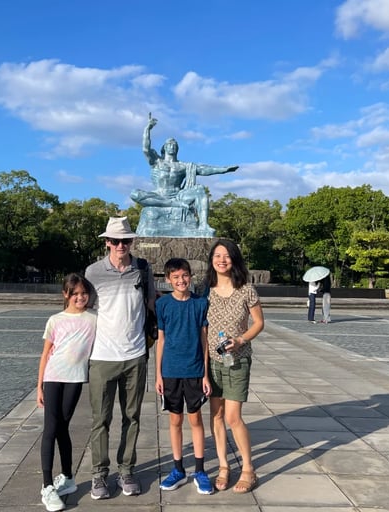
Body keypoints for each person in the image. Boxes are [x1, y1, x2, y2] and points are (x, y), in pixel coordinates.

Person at [84, 216, 155, 500]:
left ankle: (127, 469)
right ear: (106, 243)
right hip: (102, 356)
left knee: (132, 417)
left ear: (132, 242)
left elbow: (152, 302)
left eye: (125, 240)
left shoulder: (142, 268)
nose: (120, 245)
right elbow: (83, 307)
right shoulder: (93, 272)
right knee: (100, 419)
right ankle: (99, 475)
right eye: (115, 241)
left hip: (135, 354)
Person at [204, 239, 264, 494]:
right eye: (217, 255)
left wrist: (240, 340)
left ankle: (248, 469)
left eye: (227, 256)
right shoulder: (205, 289)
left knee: (232, 416)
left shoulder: (246, 289)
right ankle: (223, 466)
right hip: (212, 362)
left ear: (234, 259)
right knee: (216, 415)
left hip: (237, 360)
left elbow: (259, 323)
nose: (222, 260)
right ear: (212, 260)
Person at [37, 273, 97, 512]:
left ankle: (68, 478)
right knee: (50, 429)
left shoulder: (94, 319)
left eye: (84, 293)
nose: (80, 297)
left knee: (63, 427)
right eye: (75, 294)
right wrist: (38, 385)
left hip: (75, 379)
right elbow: (45, 353)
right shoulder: (55, 320)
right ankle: (47, 485)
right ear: (66, 295)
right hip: (53, 377)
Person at [155, 258, 213, 495]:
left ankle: (199, 470)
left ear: (191, 276)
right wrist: (158, 374)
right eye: (176, 277)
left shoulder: (200, 303)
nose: (181, 281)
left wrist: (205, 374)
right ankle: (178, 468)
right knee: (175, 420)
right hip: (170, 371)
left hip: (194, 370)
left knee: (195, 419)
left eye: (185, 276)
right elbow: (161, 340)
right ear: (168, 279)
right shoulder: (163, 305)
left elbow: (205, 340)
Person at [130, 113, 238, 234]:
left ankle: (203, 226)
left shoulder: (183, 166)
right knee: (134, 193)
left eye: (175, 145)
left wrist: (224, 169)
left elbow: (203, 169)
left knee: (200, 190)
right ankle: (171, 204)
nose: (172, 147)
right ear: (164, 148)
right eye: (169, 145)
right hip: (159, 195)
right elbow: (146, 148)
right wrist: (147, 129)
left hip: (178, 195)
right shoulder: (157, 162)